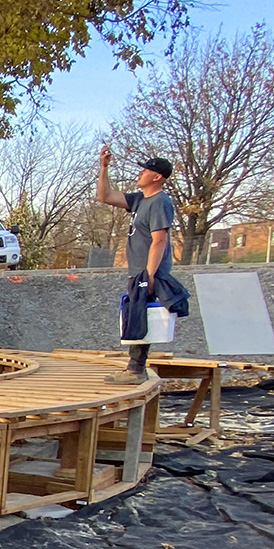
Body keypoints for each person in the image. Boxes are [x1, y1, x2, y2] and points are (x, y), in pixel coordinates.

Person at [95, 147, 176, 385]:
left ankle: (136, 370)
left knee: (140, 314)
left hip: (149, 268)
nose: (140, 173)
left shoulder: (160, 201)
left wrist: (149, 274)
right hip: (138, 268)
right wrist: (103, 167)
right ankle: (134, 368)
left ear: (157, 177)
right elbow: (105, 196)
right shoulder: (140, 199)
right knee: (134, 313)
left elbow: (159, 239)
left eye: (145, 170)